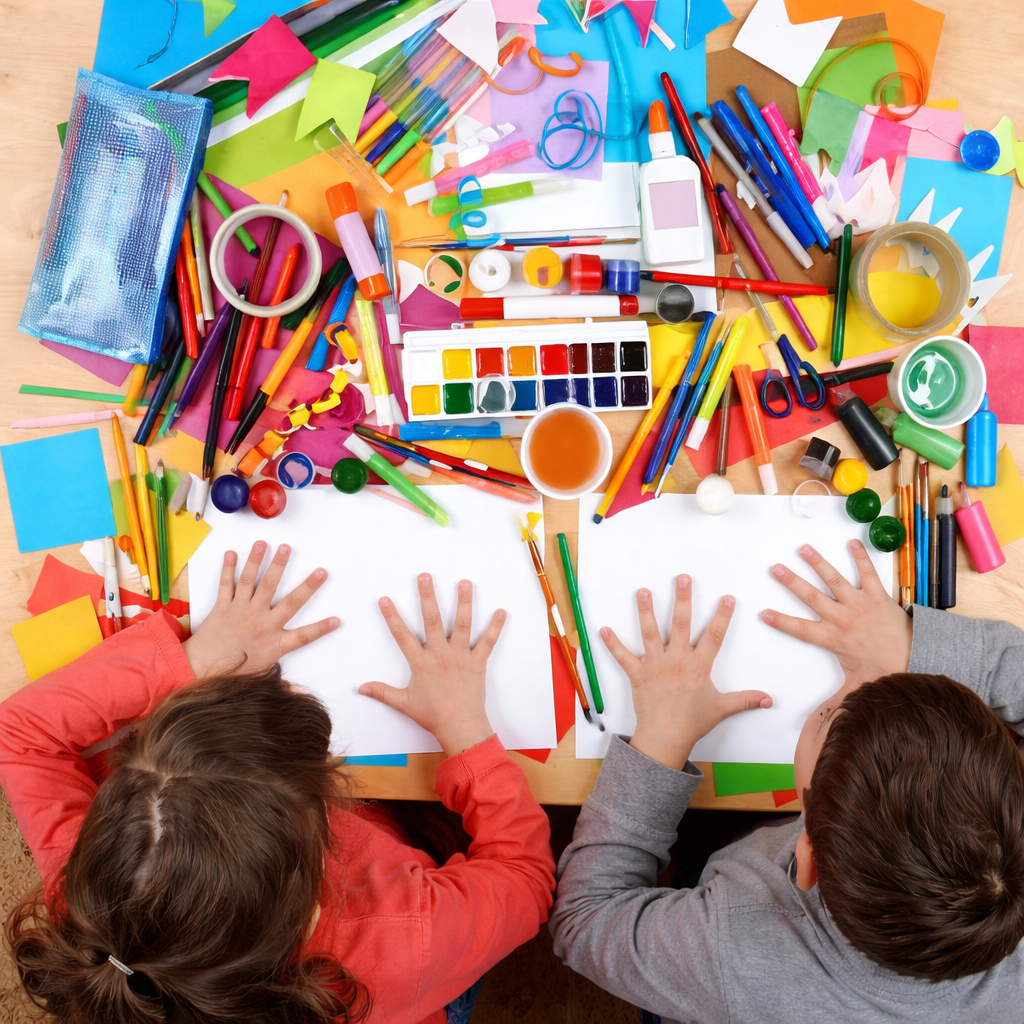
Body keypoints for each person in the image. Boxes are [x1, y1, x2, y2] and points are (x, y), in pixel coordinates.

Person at [0, 542, 555, 1024]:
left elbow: (17, 734)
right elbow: (527, 879)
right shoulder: (406, 936)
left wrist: (191, 661)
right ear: (314, 868)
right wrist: (465, 730)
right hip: (413, 989)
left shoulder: (92, 897)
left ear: (106, 832)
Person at [551, 539, 1024, 1023]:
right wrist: (915, 647)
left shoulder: (737, 947)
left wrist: (661, 739)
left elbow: (585, 923)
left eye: (826, 716)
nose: (850, 688)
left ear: (808, 861)